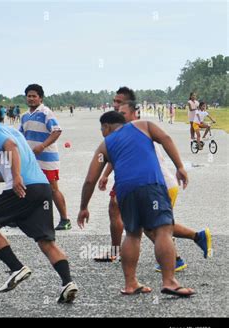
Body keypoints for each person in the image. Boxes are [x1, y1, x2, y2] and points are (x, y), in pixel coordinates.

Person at [78, 111, 195, 297]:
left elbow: (90, 180)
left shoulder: (104, 146)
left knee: (132, 234)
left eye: (102, 129)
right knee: (163, 230)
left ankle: (130, 283)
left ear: (106, 127)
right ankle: (169, 282)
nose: (102, 132)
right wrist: (179, 166)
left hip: (125, 192)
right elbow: (165, 138)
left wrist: (83, 207)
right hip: (151, 184)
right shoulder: (144, 126)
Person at [0, 99, 78, 303]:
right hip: (41, 187)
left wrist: (16, 178)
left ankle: (16, 267)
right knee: (46, 241)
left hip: (23, 189)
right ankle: (68, 282)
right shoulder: (13, 131)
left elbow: (11, 149)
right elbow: (20, 158)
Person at [118, 102, 212, 268]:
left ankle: (178, 256)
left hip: (161, 185)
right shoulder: (137, 133)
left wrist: (180, 167)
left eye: (123, 113)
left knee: (156, 227)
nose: (120, 117)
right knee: (156, 226)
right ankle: (187, 247)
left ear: (135, 115)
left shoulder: (136, 135)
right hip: (161, 184)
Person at [20, 84, 71, 230]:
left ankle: (65, 219)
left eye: (34, 96)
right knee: (28, 187)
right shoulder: (24, 116)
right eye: (29, 96)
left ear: (40, 98)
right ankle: (24, 217)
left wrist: (42, 146)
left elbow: (57, 131)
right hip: (31, 159)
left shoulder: (45, 112)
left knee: (53, 189)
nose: (31, 98)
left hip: (47, 159)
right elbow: (21, 136)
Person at [94, 87, 136, 261]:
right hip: (127, 174)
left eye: (119, 102)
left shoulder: (129, 123)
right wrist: (105, 174)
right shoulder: (121, 122)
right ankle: (115, 250)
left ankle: (178, 250)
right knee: (116, 208)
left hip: (133, 175)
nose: (115, 105)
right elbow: (115, 152)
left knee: (148, 221)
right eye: (115, 101)